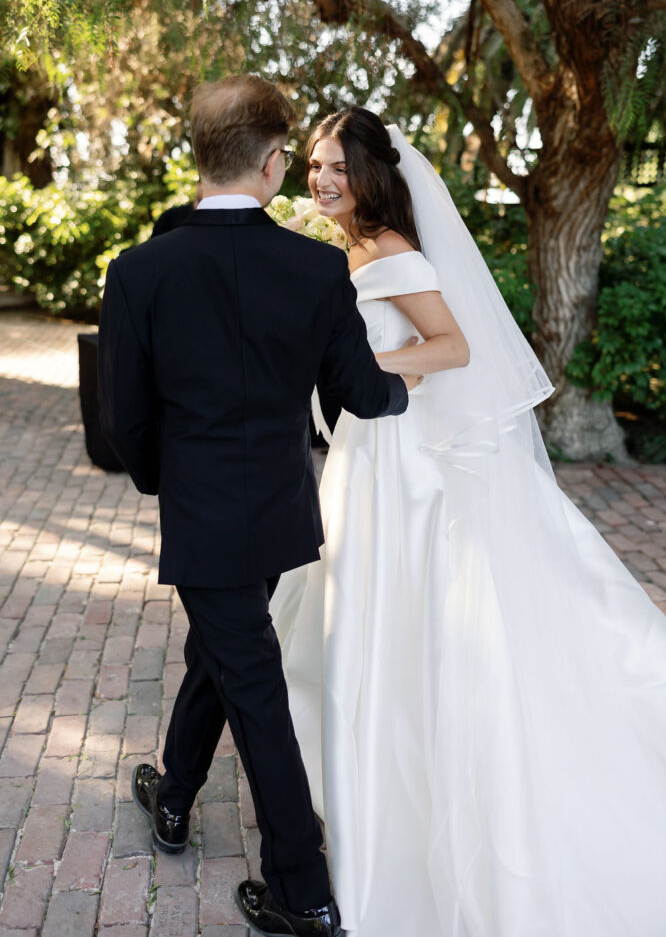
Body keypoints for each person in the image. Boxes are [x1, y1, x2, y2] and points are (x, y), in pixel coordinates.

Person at [270, 107, 666, 937]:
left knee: (395, 623)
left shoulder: (393, 254)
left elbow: (452, 347)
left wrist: (357, 366)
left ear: (373, 176)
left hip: (397, 462)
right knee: (339, 616)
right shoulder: (340, 251)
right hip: (360, 455)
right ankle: (353, 782)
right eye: (314, 166)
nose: (320, 181)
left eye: (336, 170)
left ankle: (391, 802)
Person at [97, 78, 416, 937]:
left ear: (201, 158)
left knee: (250, 682)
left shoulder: (137, 272)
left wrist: (173, 484)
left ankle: (300, 896)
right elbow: (359, 394)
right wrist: (412, 384)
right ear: (274, 162)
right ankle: (173, 796)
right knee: (230, 652)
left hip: (204, 514)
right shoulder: (314, 267)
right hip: (280, 511)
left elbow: (122, 425)